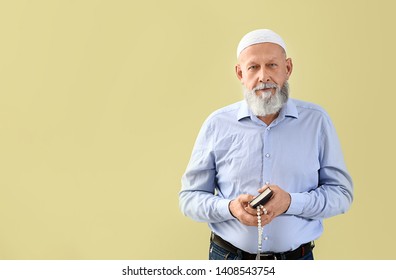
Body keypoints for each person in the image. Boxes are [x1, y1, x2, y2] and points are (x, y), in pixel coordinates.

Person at [179, 29, 353, 260]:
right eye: (253, 67)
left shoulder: (317, 122)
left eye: (272, 65)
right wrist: (230, 208)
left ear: (288, 68)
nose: (264, 76)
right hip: (228, 260)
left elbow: (341, 194)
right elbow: (189, 198)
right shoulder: (216, 125)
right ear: (240, 73)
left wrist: (290, 202)